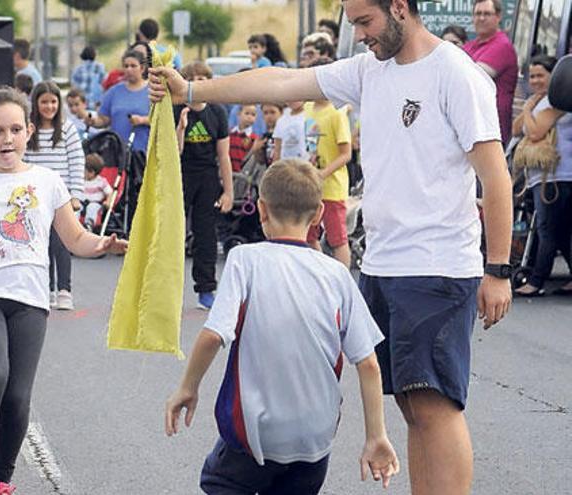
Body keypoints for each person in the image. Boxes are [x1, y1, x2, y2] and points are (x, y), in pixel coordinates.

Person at [148, 0, 514, 489]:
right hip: (384, 263)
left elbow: (496, 177)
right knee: (413, 406)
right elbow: (281, 81)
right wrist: (193, 88)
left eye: (366, 21)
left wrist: (499, 269)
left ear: (400, 7)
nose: (360, 34)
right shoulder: (370, 70)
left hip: (438, 265)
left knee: (435, 404)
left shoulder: (455, 74)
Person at [0, 86, 126, 495]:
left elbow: (75, 238)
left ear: (28, 131)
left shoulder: (47, 182)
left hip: (31, 301)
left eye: (15, 129)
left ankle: (1, 480)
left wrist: (101, 245)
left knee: (17, 394)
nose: (6, 139)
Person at [165, 160, 398, 494]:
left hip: (255, 433)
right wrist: (376, 435)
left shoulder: (245, 260)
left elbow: (214, 334)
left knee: (220, 481)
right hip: (313, 438)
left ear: (261, 209)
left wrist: (187, 387)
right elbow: (368, 363)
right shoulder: (337, 275)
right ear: (318, 214)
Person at [173, 62, 233, 310]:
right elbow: (174, 152)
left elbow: (224, 155)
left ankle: (206, 288)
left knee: (205, 234)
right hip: (181, 174)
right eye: (191, 78)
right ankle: (166, 291)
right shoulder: (177, 110)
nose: (197, 82)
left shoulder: (217, 112)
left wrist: (228, 191)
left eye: (202, 78)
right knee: (174, 233)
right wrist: (181, 127)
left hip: (208, 177)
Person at [511, 55, 572, 297]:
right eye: (532, 76)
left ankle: (536, 281)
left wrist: (527, 108)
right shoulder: (541, 102)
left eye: (541, 76)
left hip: (555, 176)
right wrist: (530, 106)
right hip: (546, 176)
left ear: (554, 77)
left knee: (546, 229)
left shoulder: (556, 102)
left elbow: (534, 132)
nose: (535, 81)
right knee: (562, 231)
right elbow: (516, 129)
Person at [24, 81, 86, 311]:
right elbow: (25, 161)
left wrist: (76, 195)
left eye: (53, 102)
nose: (49, 106)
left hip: (63, 197)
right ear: (36, 104)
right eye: (44, 102)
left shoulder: (67, 129)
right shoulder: (30, 130)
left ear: (59, 104)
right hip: (37, 198)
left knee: (62, 244)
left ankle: (64, 290)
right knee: (41, 244)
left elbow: (77, 161)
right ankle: (46, 288)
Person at [302, 80, 353, 269]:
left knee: (337, 238)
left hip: (332, 187)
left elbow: (346, 154)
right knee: (309, 235)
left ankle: (344, 281)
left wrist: (323, 173)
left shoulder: (336, 113)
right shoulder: (307, 108)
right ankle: (320, 275)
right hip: (311, 186)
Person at [464, 0, 518, 145]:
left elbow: (470, 80)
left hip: (489, 134)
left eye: (487, 14)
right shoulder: (470, 46)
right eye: (478, 14)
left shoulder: (502, 45)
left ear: (498, 16)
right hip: (472, 128)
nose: (481, 18)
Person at [86, 50, 151, 154]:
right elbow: (104, 120)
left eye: (133, 66)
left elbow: (161, 121)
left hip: (144, 152)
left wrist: (142, 120)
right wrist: (93, 122)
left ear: (142, 68)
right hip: (117, 152)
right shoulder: (114, 91)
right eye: (126, 66)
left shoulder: (152, 91)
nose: (129, 69)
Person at [75, 154, 112, 230]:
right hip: (81, 202)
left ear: (92, 172)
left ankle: (88, 224)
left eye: (84, 171)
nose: (82, 172)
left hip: (95, 203)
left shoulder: (101, 181)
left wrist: (108, 201)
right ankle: (74, 224)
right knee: (76, 208)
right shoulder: (81, 179)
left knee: (92, 208)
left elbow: (109, 192)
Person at [71, 46, 105, 110]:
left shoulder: (78, 69)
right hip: (96, 103)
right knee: (91, 117)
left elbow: (74, 86)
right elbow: (104, 84)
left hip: (82, 103)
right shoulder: (99, 67)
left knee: (84, 118)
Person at [228, 104, 259, 172]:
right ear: (239, 114)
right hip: (228, 171)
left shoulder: (254, 138)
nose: (249, 117)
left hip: (242, 174)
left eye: (253, 115)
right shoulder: (229, 134)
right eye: (247, 113)